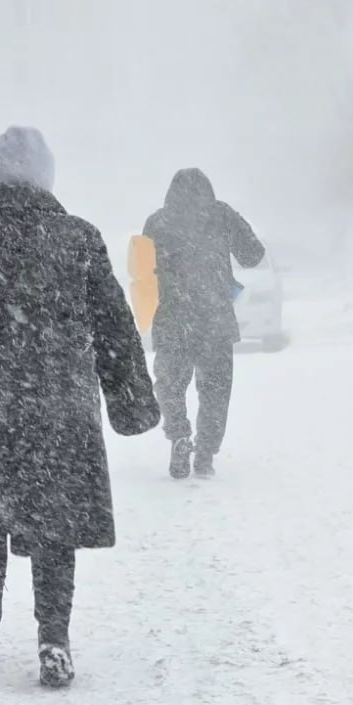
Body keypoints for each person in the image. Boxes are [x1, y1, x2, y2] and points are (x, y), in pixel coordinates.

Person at [0, 126, 160, 688]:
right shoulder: (78, 237)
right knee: (54, 530)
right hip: (58, 408)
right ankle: (54, 643)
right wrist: (131, 402)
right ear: (46, 178)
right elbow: (114, 327)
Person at [142, 168, 265, 479]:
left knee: (170, 386)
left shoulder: (157, 222)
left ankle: (179, 437)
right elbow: (253, 254)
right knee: (215, 391)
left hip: (172, 319)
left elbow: (142, 272)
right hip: (215, 320)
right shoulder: (222, 215)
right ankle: (206, 454)